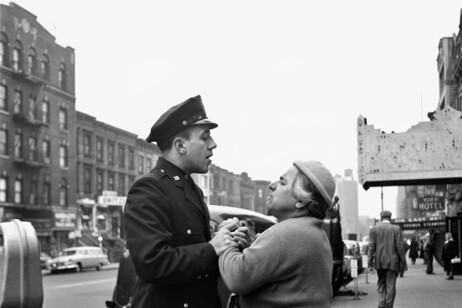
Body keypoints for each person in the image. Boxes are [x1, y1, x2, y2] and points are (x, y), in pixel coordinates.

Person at [123, 95, 248, 308]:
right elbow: (151, 263)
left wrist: (226, 240)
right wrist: (213, 247)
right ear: (181, 145)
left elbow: (197, 258)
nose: (213, 144)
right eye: (205, 137)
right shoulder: (149, 188)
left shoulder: (191, 188)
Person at [218, 160, 336, 307]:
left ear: (300, 200)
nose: (272, 185)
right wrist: (253, 244)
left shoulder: (285, 234)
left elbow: (237, 278)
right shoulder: (314, 233)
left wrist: (225, 238)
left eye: (283, 182)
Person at [368, 210, 407, 308]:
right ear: (390, 218)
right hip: (393, 263)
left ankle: (381, 304)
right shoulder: (396, 229)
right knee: (390, 286)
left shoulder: (374, 229)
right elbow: (400, 248)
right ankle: (389, 306)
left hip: (379, 262)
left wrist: (369, 263)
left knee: (381, 284)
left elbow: (371, 247)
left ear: (381, 218)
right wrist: (404, 263)